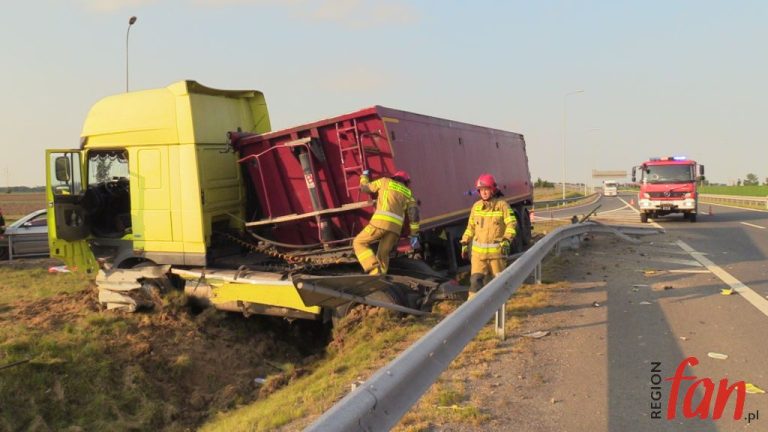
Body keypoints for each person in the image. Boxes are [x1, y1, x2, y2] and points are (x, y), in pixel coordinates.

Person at [460, 173, 517, 298]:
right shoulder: (476, 207)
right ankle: (473, 308)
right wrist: (464, 242)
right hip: (478, 256)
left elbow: (512, 224)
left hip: (497, 255)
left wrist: (507, 240)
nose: (484, 192)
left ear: (492, 190)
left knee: (498, 285)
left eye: (486, 189)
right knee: (475, 284)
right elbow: (470, 227)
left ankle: (499, 308)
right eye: (481, 190)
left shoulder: (502, 206)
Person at [353, 169, 420, 275]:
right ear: (406, 182)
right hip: (395, 230)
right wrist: (414, 234)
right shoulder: (408, 193)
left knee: (358, 242)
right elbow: (414, 215)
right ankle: (381, 276)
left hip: (380, 223)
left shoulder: (384, 181)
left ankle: (373, 269)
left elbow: (364, 188)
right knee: (383, 253)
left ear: (394, 178)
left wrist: (364, 176)